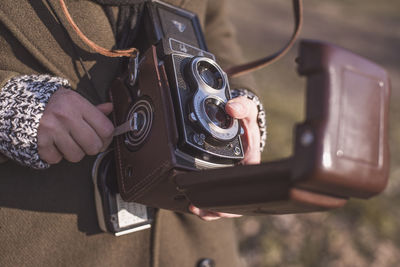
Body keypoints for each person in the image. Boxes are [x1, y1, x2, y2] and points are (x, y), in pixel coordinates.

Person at [0, 0, 265, 266]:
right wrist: (12, 107)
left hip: (188, 237)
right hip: (49, 229)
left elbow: (214, 23)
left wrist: (235, 104)